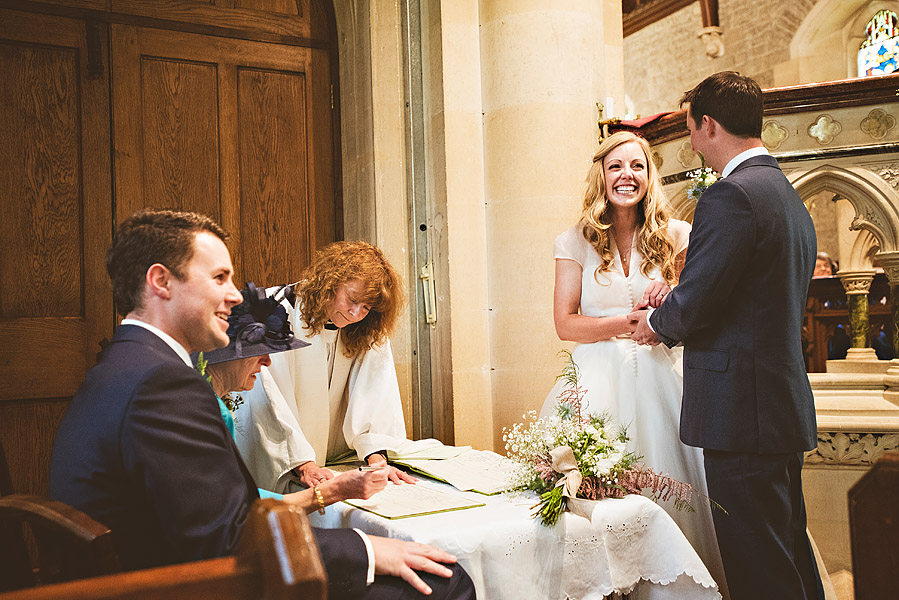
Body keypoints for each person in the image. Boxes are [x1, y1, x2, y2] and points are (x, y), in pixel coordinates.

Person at [50, 209, 476, 600]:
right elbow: (228, 538)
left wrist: (331, 494)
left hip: (162, 568)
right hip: (181, 585)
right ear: (161, 282)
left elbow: (217, 515)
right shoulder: (163, 386)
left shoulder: (128, 364)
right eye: (219, 278)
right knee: (444, 580)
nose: (236, 296)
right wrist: (367, 550)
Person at [630, 72, 824, 600]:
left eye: (692, 129)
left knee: (757, 562)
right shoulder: (784, 195)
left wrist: (656, 323)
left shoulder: (731, 196)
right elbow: (745, 295)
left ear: (709, 124)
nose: (691, 143)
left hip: (741, 413)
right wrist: (675, 298)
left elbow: (703, 299)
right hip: (776, 405)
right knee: (785, 550)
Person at [541, 130, 727, 596]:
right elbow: (566, 323)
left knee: (675, 483)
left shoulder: (678, 235)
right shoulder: (574, 241)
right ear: (601, 175)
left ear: (650, 175)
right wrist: (627, 321)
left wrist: (669, 304)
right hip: (594, 381)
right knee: (600, 490)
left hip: (664, 375)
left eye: (638, 166)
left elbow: (696, 310)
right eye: (616, 166)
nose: (628, 176)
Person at [235, 241, 418, 493]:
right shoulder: (274, 310)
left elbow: (376, 392)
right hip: (289, 463)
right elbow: (267, 396)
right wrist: (303, 463)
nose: (355, 313)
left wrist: (377, 461)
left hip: (334, 458)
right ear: (330, 283)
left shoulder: (368, 328)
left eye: (366, 307)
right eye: (352, 299)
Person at [201, 281, 390, 512]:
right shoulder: (204, 412)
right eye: (259, 352)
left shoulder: (211, 404)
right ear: (226, 351)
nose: (268, 362)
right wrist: (334, 491)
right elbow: (233, 508)